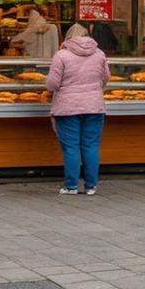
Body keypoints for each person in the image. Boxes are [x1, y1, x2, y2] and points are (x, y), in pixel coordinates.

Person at [46, 23, 110, 196]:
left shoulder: (62, 55)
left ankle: (71, 186)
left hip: (68, 108)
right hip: (94, 106)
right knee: (91, 145)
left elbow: (52, 84)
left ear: (68, 37)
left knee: (71, 147)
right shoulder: (99, 54)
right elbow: (105, 79)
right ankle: (91, 186)